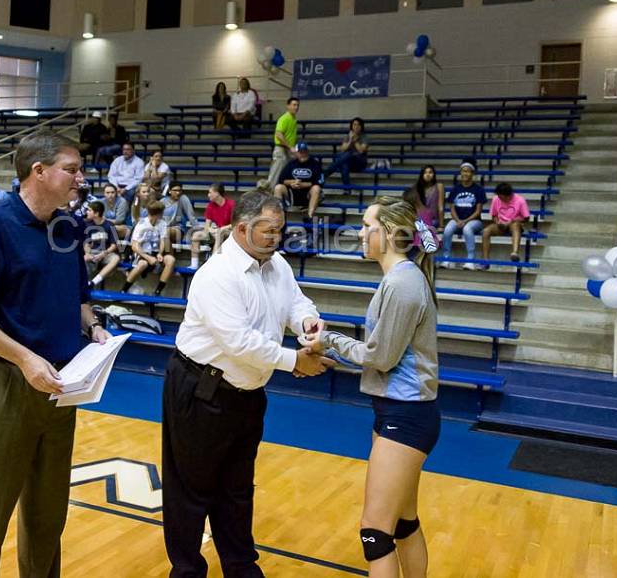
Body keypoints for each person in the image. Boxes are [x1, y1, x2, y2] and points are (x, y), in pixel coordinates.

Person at [0, 132, 110, 578]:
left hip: (61, 388)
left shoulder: (69, 226)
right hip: (4, 386)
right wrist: (24, 358)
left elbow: (78, 297)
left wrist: (93, 327)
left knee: (48, 513)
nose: (81, 177)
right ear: (38, 171)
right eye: (72, 169)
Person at [163, 190, 333, 577]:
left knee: (238, 489)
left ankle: (241, 567)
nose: (276, 237)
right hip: (199, 391)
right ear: (241, 229)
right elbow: (239, 343)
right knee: (190, 491)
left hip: (248, 394)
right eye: (268, 230)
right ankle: (187, 571)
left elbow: (297, 302)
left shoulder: (278, 265)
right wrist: (296, 362)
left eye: (280, 230)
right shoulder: (217, 275)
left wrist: (308, 322)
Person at [300, 196, 439, 577]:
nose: (359, 233)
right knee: (403, 522)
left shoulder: (403, 284)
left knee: (375, 532)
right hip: (399, 412)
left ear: (391, 233)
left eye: (366, 225)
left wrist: (329, 341)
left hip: (406, 416)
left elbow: (380, 357)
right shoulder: (401, 279)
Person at [123, 201, 176, 296]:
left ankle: (158, 291)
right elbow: (134, 246)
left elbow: (163, 240)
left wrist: (160, 253)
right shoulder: (141, 224)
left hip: (156, 251)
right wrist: (148, 257)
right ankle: (124, 289)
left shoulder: (162, 223)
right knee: (142, 264)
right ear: (159, 214)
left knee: (171, 260)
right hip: (142, 252)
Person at [440, 162, 486, 270]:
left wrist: (465, 221)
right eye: (463, 171)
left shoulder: (478, 190)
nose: (465, 173)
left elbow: (478, 211)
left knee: (467, 229)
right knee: (447, 230)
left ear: (472, 173)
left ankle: (470, 260)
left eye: (468, 171)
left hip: (475, 221)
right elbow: (452, 208)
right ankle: (446, 259)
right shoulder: (455, 189)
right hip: (457, 219)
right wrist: (458, 220)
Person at [481, 182, 530, 265]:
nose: (500, 199)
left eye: (502, 197)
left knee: (515, 226)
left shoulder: (520, 200)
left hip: (514, 224)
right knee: (486, 231)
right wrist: (497, 222)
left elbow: (526, 218)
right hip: (501, 224)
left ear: (508, 195)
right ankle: (485, 260)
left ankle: (515, 252)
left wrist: (512, 221)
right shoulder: (496, 199)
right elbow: (494, 215)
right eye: (499, 197)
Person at [274, 142, 324, 220]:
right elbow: (281, 179)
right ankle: (278, 216)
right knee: (278, 187)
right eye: (300, 152)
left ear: (308, 152)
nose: (303, 154)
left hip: (308, 194)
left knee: (316, 188)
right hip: (293, 193)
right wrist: (292, 182)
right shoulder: (291, 164)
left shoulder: (315, 164)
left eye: (304, 151)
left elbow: (320, 182)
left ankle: (310, 216)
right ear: (296, 153)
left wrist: (304, 184)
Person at [190, 182, 235, 269]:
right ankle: (194, 265)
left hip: (230, 232)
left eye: (210, 192)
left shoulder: (231, 204)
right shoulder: (211, 206)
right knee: (196, 235)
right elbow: (207, 226)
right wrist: (211, 230)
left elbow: (235, 224)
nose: (208, 195)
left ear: (217, 193)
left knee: (219, 233)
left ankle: (213, 264)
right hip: (217, 230)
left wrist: (221, 229)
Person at [261, 97, 299, 189]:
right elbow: (278, 134)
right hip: (282, 149)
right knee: (275, 176)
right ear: (288, 106)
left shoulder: (293, 119)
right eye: (294, 105)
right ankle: (269, 195)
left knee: (285, 175)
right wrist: (290, 147)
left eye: (297, 105)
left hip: (288, 150)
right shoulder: (284, 118)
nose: (296, 107)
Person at [84, 201, 121, 289]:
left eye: (89, 210)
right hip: (93, 252)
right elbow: (86, 243)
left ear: (96, 213)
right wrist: (87, 253)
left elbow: (114, 245)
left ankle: (94, 282)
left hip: (106, 252)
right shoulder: (87, 225)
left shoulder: (110, 225)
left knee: (116, 258)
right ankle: (84, 283)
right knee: (82, 258)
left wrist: (104, 253)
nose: (87, 212)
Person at [324, 117, 370, 188]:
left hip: (360, 162)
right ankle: (347, 188)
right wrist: (350, 140)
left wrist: (355, 140)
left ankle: (325, 173)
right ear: (351, 126)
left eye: (358, 125)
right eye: (354, 125)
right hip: (349, 162)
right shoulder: (348, 136)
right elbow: (343, 149)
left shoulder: (364, 137)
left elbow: (361, 150)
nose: (356, 127)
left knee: (348, 155)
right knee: (344, 164)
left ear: (361, 127)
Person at [403, 165, 445, 232]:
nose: (428, 174)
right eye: (425, 173)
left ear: (434, 174)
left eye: (430, 172)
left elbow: (441, 207)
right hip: (419, 218)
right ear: (421, 175)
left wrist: (441, 226)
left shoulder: (439, 186)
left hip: (433, 220)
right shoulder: (417, 187)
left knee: (422, 227)